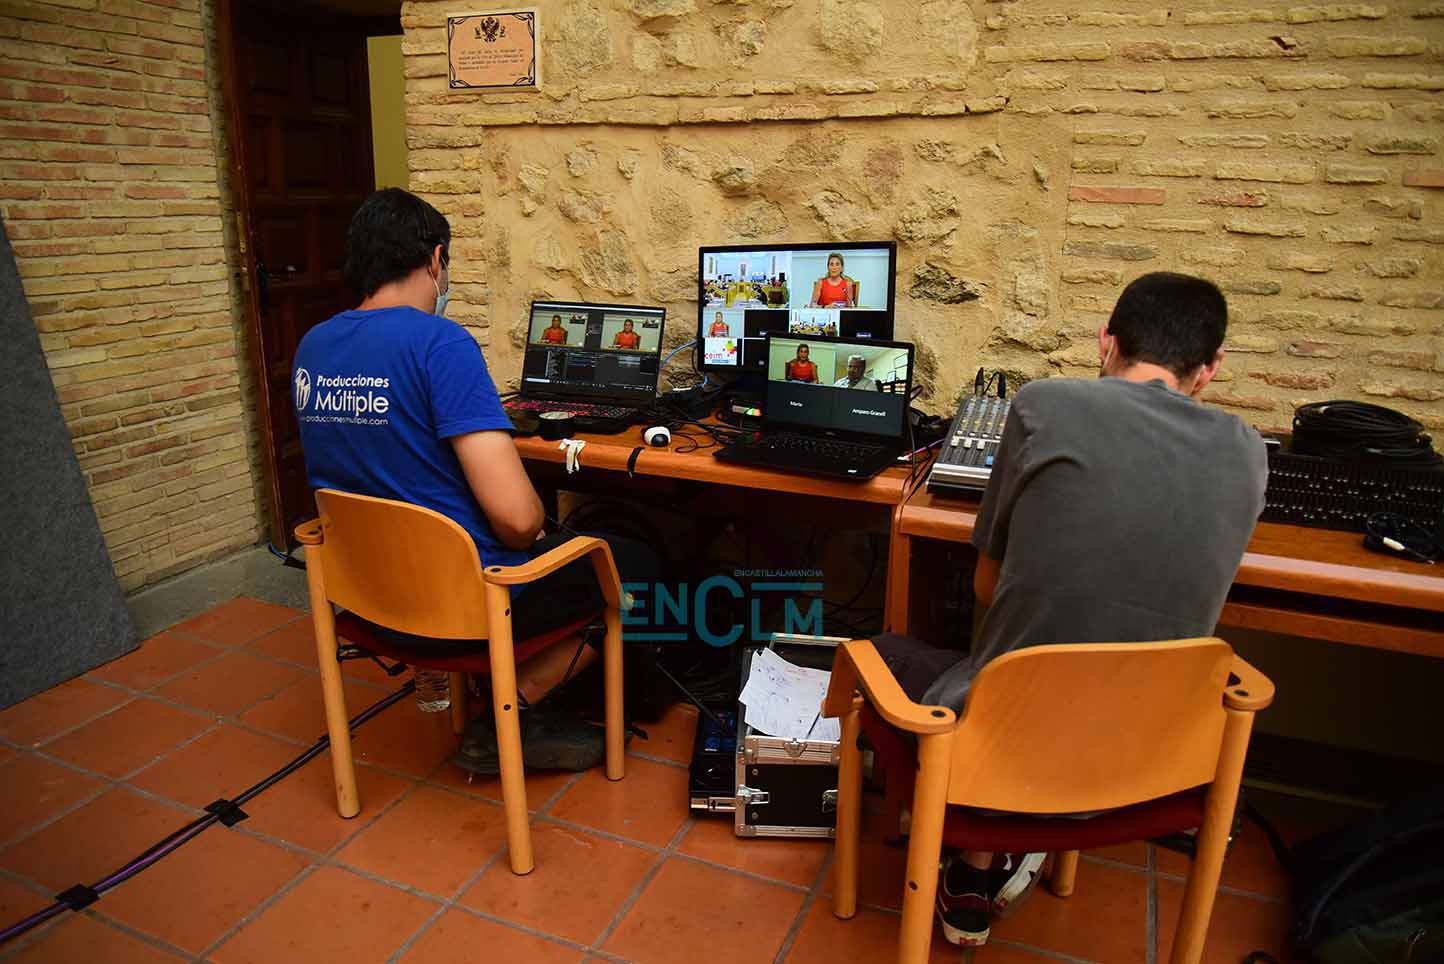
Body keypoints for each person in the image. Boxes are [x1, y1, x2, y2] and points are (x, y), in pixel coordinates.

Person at [870, 272, 1268, 948]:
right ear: (1210, 368)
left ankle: (969, 854)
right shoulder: (1249, 452)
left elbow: (988, 586)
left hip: (1008, 750)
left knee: (890, 654)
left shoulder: (1043, 406)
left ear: (1105, 341)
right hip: (1150, 763)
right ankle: (999, 856)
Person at [292, 188, 660, 771]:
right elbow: (518, 523)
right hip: (463, 602)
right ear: (435, 259)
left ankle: (504, 700)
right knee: (636, 564)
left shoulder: (313, 346)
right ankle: (511, 709)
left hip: (366, 597)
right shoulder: (440, 345)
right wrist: (538, 529)